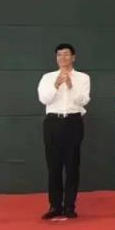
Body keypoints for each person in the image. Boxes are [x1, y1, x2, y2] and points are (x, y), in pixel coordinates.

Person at [37, 43, 91, 219]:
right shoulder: (47, 77)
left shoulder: (83, 78)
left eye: (66, 54)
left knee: (72, 165)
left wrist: (70, 85)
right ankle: (55, 206)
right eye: (59, 55)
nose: (63, 58)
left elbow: (84, 100)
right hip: (53, 122)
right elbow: (44, 99)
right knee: (54, 166)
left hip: (73, 122)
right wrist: (56, 85)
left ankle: (69, 206)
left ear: (73, 57)